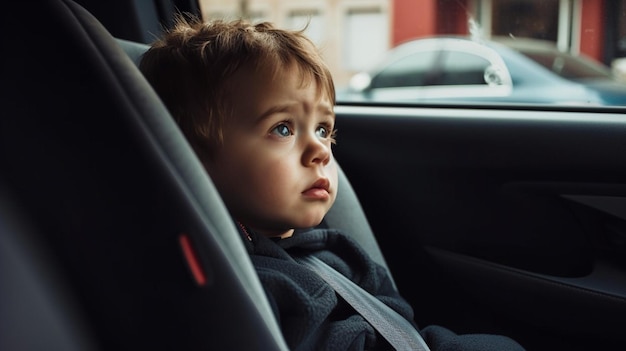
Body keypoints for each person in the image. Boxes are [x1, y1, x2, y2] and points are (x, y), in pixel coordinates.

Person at [139, 16, 525, 351]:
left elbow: (401, 321)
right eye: (283, 128)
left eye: (324, 129)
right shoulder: (247, 289)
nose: (320, 151)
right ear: (193, 158)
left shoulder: (334, 249)